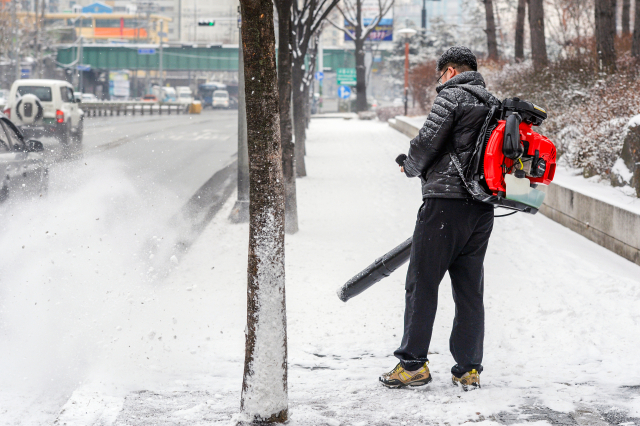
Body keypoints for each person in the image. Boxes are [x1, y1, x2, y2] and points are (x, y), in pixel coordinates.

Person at [379, 46, 500, 391]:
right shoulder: (493, 103)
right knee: (468, 289)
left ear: (449, 71)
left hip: (445, 205)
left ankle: (413, 364)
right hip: (481, 209)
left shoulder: (453, 96)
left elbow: (425, 144)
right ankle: (468, 369)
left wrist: (409, 166)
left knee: (422, 282)